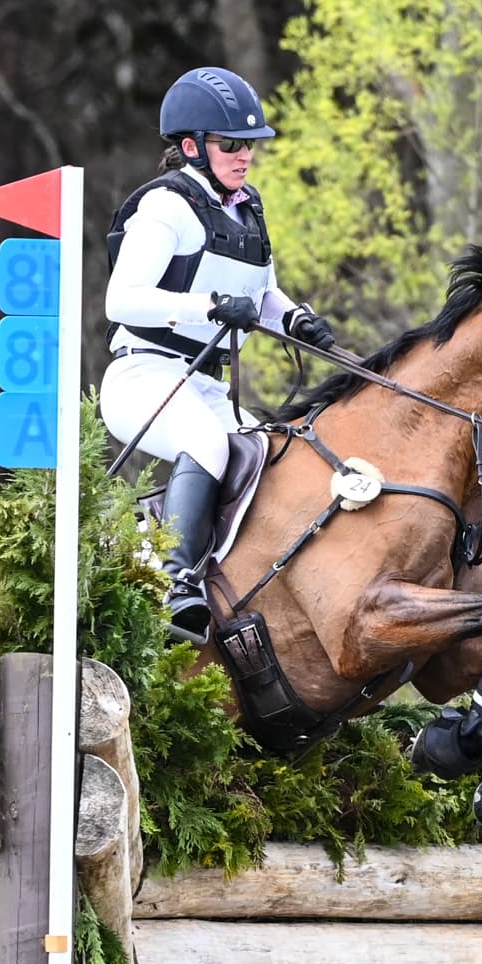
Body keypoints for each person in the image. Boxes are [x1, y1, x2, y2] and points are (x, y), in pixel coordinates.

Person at [103, 66, 336, 643]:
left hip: (205, 383)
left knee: (275, 457)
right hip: (143, 374)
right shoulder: (165, 207)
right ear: (192, 147)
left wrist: (295, 318)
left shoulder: (247, 207)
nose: (244, 156)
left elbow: (264, 294)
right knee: (208, 444)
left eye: (249, 145)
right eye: (231, 144)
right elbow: (121, 299)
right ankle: (174, 583)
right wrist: (207, 306)